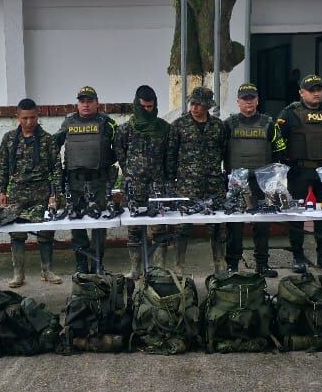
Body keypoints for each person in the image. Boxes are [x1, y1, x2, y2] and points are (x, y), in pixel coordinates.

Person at [276, 74, 322, 273]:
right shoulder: (290, 113)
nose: (316, 93)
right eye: (311, 90)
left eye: (318, 89)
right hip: (299, 170)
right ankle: (298, 257)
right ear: (301, 93)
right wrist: (283, 167)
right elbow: (278, 142)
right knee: (296, 214)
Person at [0, 98, 63, 287]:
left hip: (41, 192)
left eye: (32, 117)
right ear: (17, 117)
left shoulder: (48, 139)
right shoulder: (9, 139)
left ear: (38, 116)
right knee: (17, 234)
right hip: (17, 193)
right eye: (25, 118)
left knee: (46, 233)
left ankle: (47, 270)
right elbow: (3, 166)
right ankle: (18, 274)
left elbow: (56, 168)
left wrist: (56, 194)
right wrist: (1, 191)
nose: (29, 122)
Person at [223, 82, 286, 276]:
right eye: (245, 99)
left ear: (257, 101)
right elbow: (219, 150)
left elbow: (279, 150)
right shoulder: (228, 124)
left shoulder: (269, 123)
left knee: (262, 224)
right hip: (237, 182)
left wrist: (272, 178)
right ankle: (232, 265)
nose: (248, 102)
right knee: (234, 225)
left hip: (261, 182)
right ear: (238, 102)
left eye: (252, 98)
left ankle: (262, 264)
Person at [55, 86, 118, 274]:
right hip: (75, 182)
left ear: (97, 103)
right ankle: (81, 264)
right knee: (77, 224)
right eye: (82, 101)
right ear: (77, 104)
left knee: (100, 225)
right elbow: (53, 145)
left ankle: (97, 263)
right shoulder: (68, 123)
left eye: (90, 101)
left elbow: (120, 147)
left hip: (99, 182)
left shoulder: (107, 123)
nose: (85, 104)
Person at [167, 85, 229, 274]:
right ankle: (179, 265)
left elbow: (224, 151)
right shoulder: (179, 125)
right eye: (192, 103)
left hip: (213, 185)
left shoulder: (218, 126)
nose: (194, 107)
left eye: (199, 104)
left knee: (218, 226)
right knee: (182, 227)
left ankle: (219, 263)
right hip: (187, 186)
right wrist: (172, 182)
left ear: (208, 106)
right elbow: (171, 155)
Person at [114, 84, 170, 278]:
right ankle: (135, 269)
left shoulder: (164, 128)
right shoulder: (125, 130)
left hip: (157, 185)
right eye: (143, 107)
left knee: (159, 227)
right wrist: (133, 173)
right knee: (134, 229)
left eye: (150, 107)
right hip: (133, 185)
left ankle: (159, 270)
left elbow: (168, 156)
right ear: (136, 105)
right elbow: (120, 155)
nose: (147, 110)